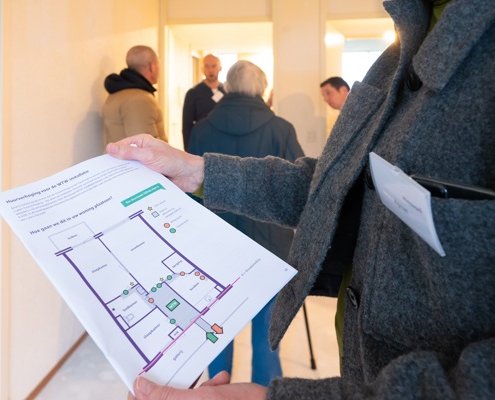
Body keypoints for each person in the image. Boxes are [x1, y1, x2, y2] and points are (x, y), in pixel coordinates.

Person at [107, 0, 495, 398]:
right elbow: (334, 187)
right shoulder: (399, 50)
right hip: (289, 268)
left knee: (216, 328)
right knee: (262, 331)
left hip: (220, 241)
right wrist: (199, 170)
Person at [189, 60, 304, 386]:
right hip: (271, 246)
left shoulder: (201, 130)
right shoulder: (281, 129)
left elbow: (191, 194)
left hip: (215, 246)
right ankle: (264, 391)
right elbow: (298, 191)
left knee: (216, 331)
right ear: (263, 88)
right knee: (267, 334)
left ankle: (216, 391)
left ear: (227, 87)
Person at [102, 45, 167, 145]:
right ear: (152, 67)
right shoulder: (140, 99)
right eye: (158, 65)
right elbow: (145, 147)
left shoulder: (117, 93)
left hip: (116, 155)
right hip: (132, 156)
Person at [182, 54, 225, 152]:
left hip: (224, 145)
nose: (210, 70)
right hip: (202, 145)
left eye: (214, 66)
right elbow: (186, 126)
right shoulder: (193, 93)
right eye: (207, 66)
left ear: (220, 68)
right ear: (202, 69)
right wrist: (188, 151)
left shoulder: (227, 92)